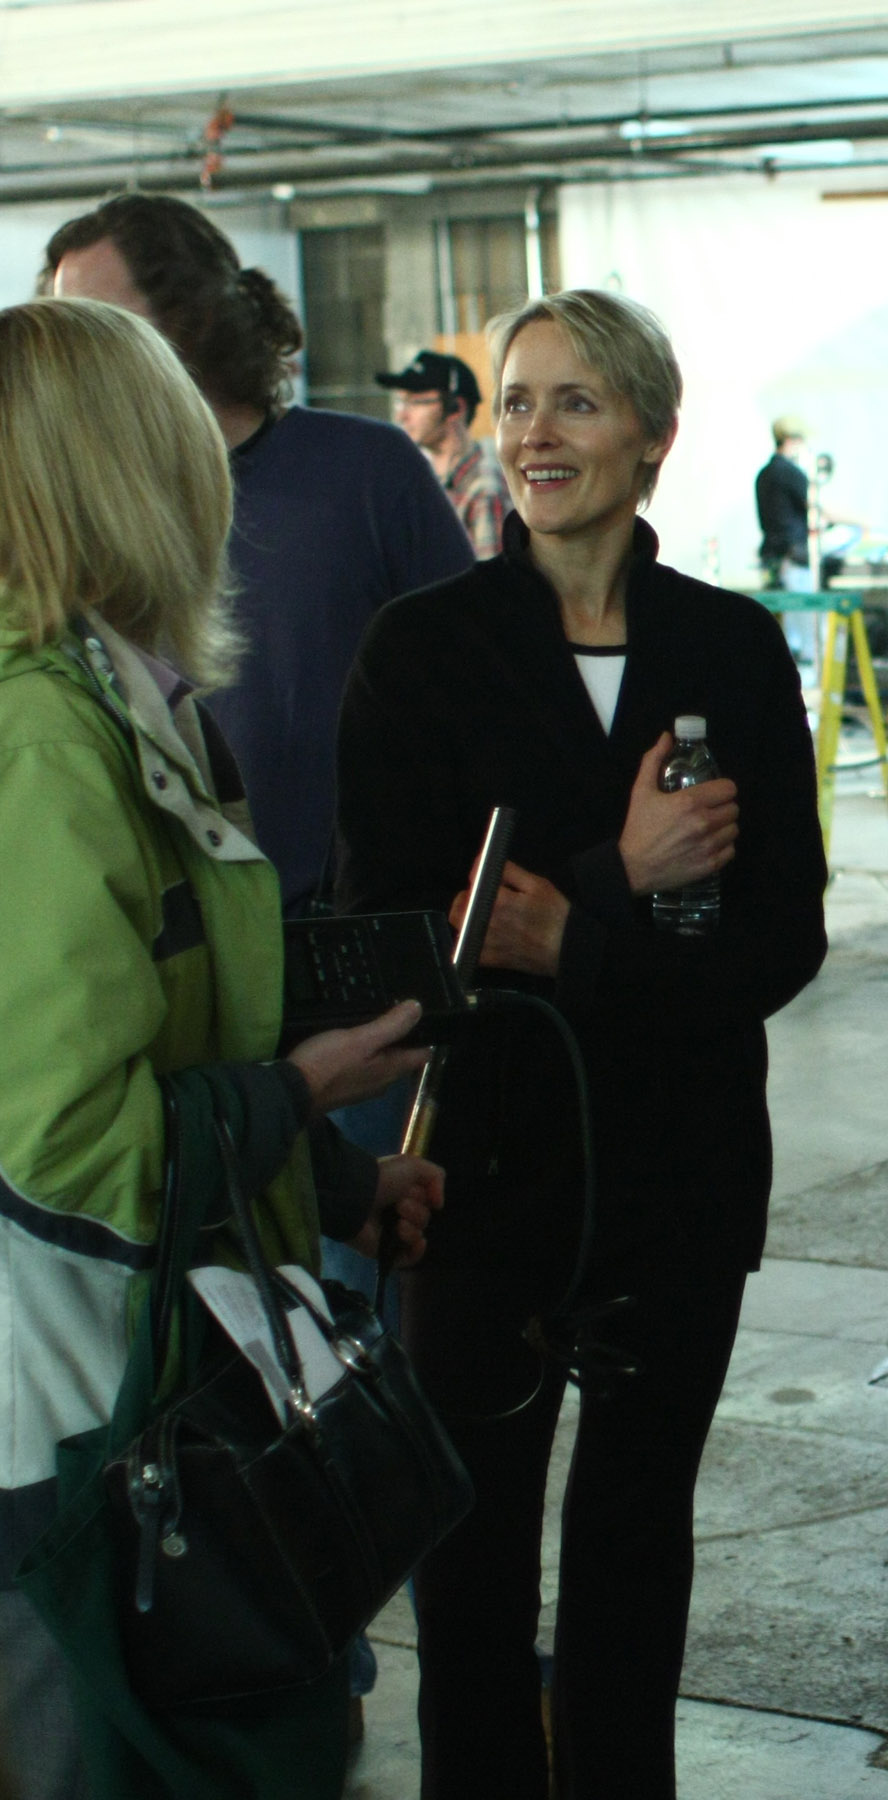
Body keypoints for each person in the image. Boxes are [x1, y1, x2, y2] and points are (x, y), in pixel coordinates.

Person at [336, 289, 828, 1799]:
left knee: (635, 1548)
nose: (534, 436)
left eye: (576, 403)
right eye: (517, 404)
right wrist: (617, 889)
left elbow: (781, 936)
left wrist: (568, 935)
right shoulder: (426, 649)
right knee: (472, 1559)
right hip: (484, 1174)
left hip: (680, 1178)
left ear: (655, 436)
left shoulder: (730, 650)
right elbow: (397, 928)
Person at [0, 297, 443, 1799]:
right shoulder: (44, 744)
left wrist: (323, 1180)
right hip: (79, 1440)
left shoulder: (118, 704)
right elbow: (66, 1146)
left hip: (157, 1383)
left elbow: (173, 1032)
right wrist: (308, 1092)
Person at [45, 194, 473, 908]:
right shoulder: (87, 521)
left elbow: (478, 681)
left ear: (194, 318)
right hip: (186, 934)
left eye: (103, 327)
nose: (81, 361)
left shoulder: (365, 472)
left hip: (362, 917)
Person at [377, 348, 511, 559]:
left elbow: (491, 587)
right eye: (401, 401)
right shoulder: (420, 480)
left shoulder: (483, 492)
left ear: (455, 408)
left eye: (415, 402)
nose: (401, 415)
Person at [755, 414, 813, 590]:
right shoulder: (790, 472)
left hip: (770, 556)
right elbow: (815, 507)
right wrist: (861, 523)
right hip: (792, 559)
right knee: (798, 615)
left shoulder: (764, 474)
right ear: (791, 440)